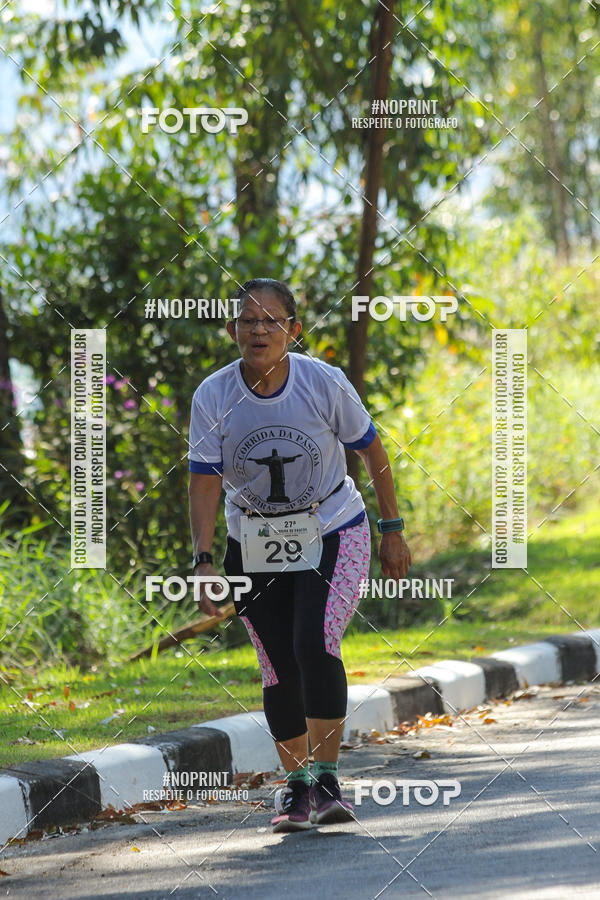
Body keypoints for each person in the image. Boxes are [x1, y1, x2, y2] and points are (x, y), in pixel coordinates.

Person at [188, 277, 411, 833]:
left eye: (271, 321)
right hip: (253, 540)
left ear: (294, 329)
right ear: (233, 329)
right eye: (247, 321)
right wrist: (205, 562)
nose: (258, 330)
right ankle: (296, 788)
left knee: (313, 641)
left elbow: (372, 450)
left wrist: (392, 528)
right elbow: (204, 482)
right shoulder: (212, 396)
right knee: (278, 665)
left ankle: (329, 781)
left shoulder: (322, 383)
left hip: (334, 525)